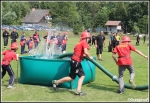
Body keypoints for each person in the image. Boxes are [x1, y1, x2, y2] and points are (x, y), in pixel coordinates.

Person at [52, 31, 93, 96]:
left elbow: (79, 52)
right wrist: (90, 57)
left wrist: (83, 55)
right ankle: (78, 91)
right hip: (76, 61)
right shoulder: (84, 42)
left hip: (74, 61)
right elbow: (86, 51)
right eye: (88, 38)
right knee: (81, 76)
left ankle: (56, 82)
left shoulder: (79, 42)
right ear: (86, 38)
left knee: (72, 77)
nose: (89, 39)